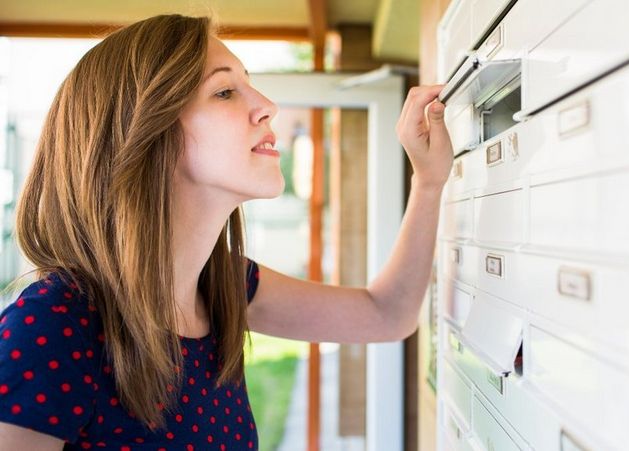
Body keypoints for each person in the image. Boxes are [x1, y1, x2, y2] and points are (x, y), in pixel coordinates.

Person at [0, 14, 452, 450]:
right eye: (224, 92)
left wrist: (429, 182)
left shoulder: (225, 288)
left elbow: (388, 315)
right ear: (145, 130)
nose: (267, 106)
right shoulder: (54, 324)